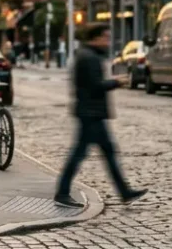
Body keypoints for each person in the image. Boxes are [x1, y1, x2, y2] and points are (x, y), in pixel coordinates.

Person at [55, 24, 146, 209]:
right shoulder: (89, 57)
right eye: (105, 37)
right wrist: (116, 82)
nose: (108, 41)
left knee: (107, 152)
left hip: (91, 112)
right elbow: (95, 85)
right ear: (95, 38)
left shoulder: (88, 54)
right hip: (91, 114)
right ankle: (62, 193)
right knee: (80, 154)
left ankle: (124, 192)